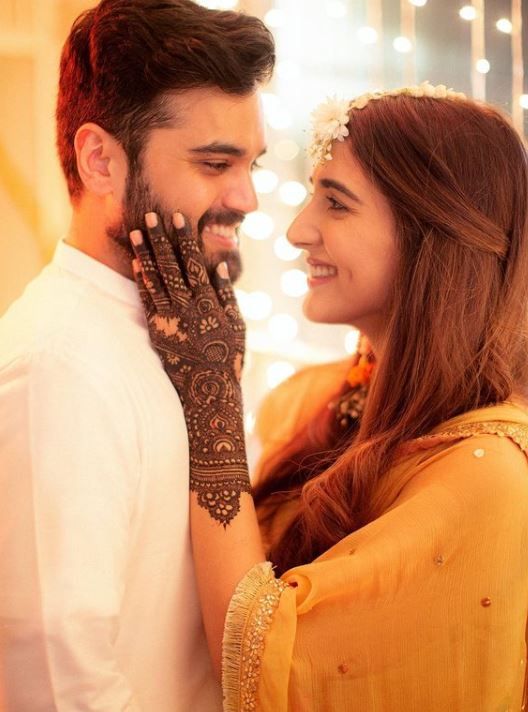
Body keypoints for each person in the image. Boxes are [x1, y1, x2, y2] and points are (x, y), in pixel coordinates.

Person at [130, 81, 528, 711]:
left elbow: (260, 660)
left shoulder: (489, 476)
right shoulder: (314, 400)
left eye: (336, 204)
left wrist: (212, 406)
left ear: (432, 237)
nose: (296, 230)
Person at [0, 0, 274, 709]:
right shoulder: (55, 364)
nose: (245, 197)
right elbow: (57, 678)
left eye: (250, 165)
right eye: (215, 163)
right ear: (100, 160)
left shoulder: (189, 335)